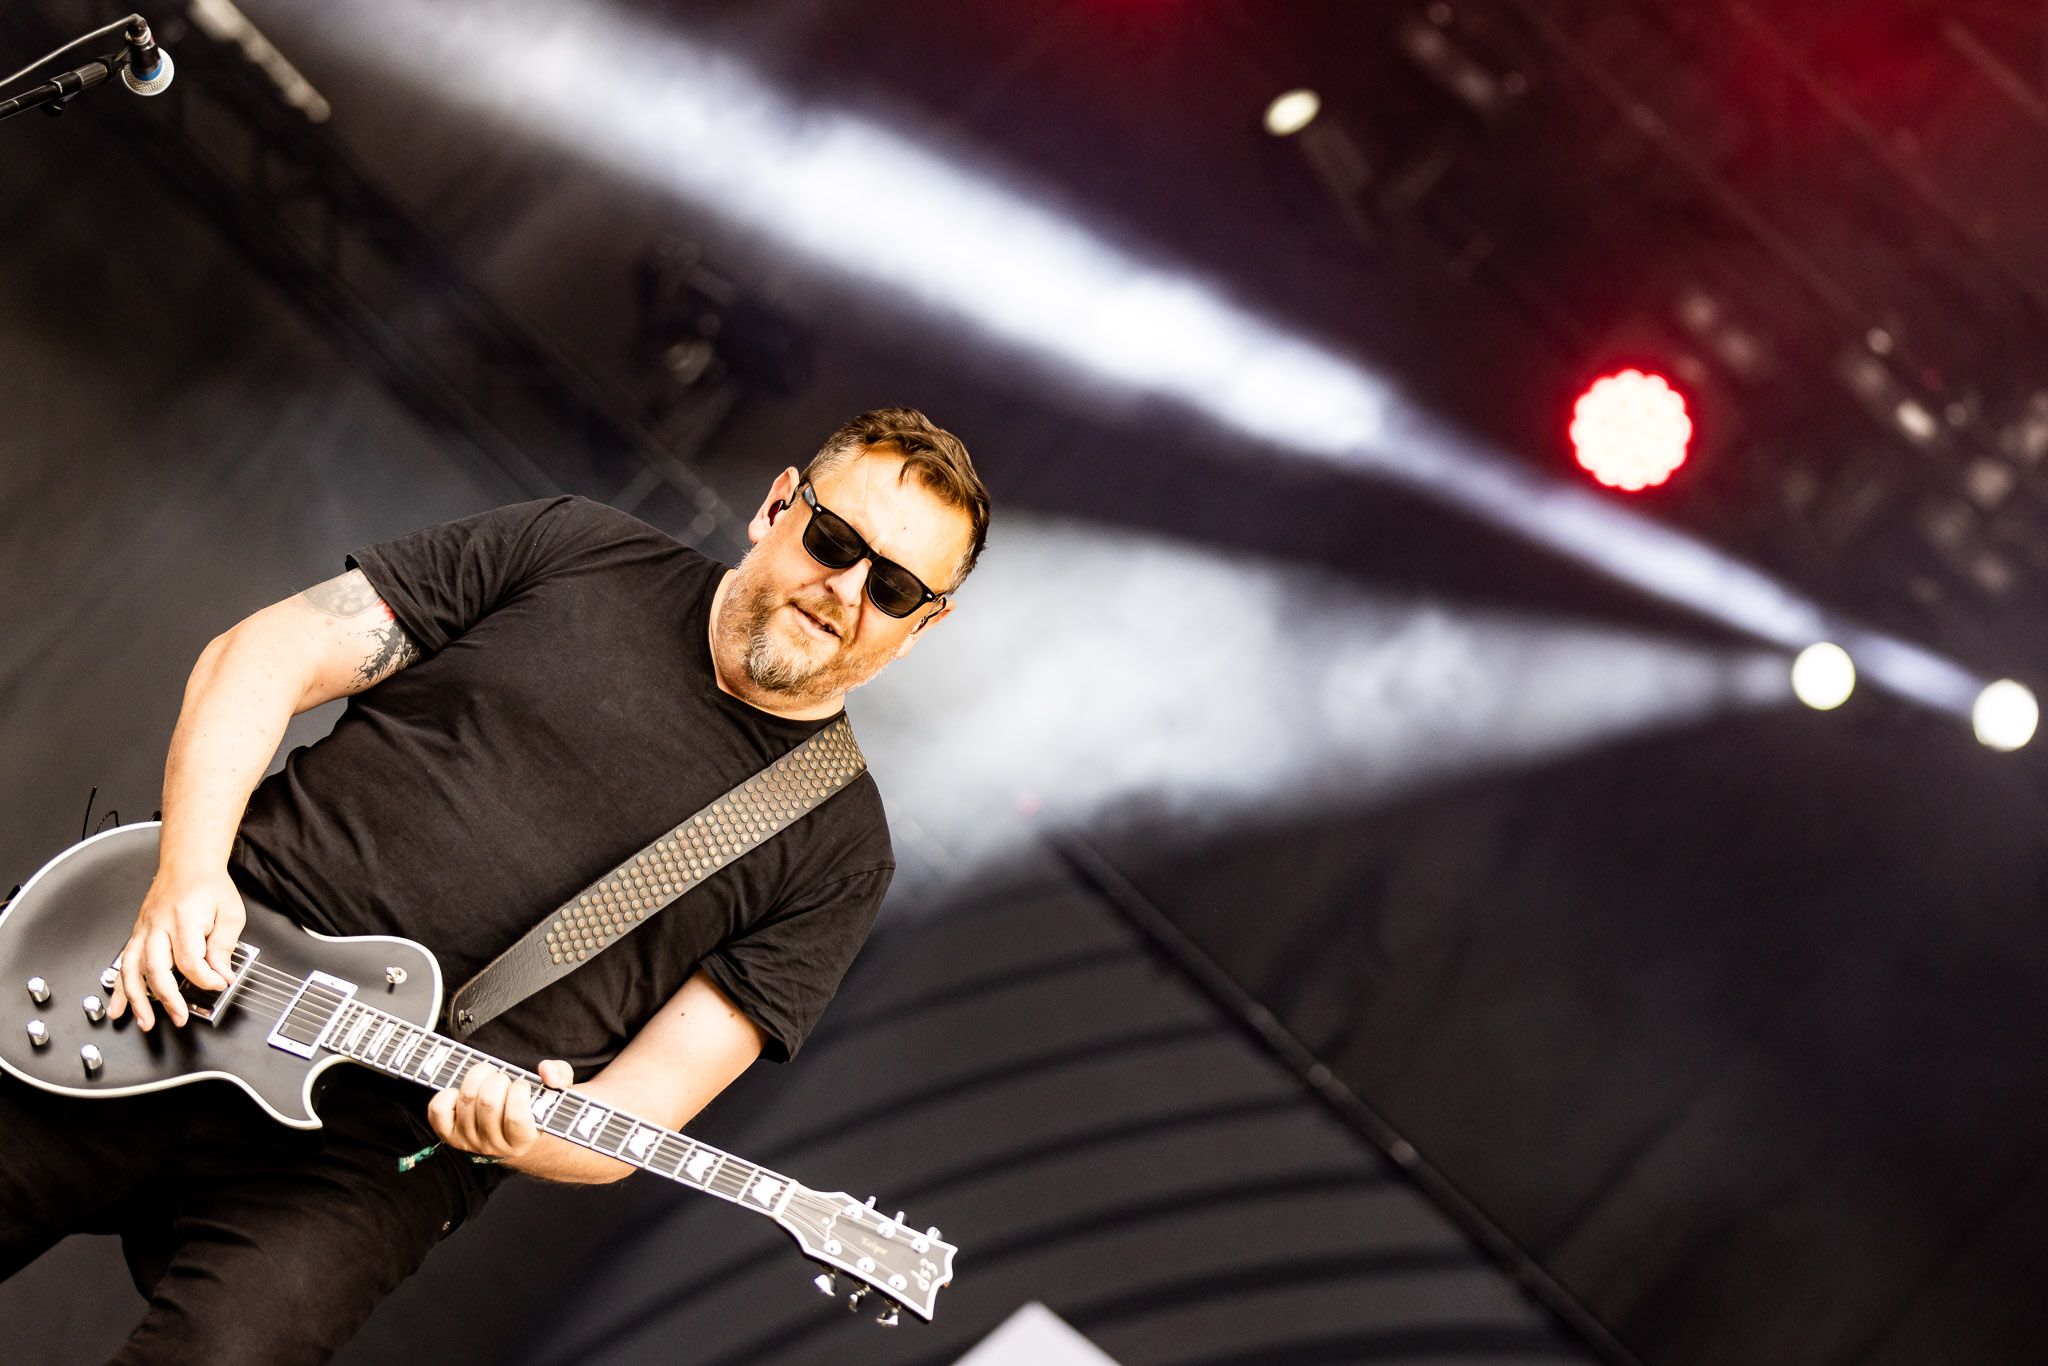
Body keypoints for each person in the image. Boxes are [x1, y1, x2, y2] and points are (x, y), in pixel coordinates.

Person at [0, 408, 990, 1364]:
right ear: (777, 505)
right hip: (191, 962)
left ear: (924, 625)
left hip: (372, 1152)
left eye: (895, 586)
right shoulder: (577, 548)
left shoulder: (838, 848)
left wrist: (529, 1137)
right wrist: (188, 873)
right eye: (832, 539)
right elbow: (263, 655)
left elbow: (637, 1114)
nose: (845, 587)